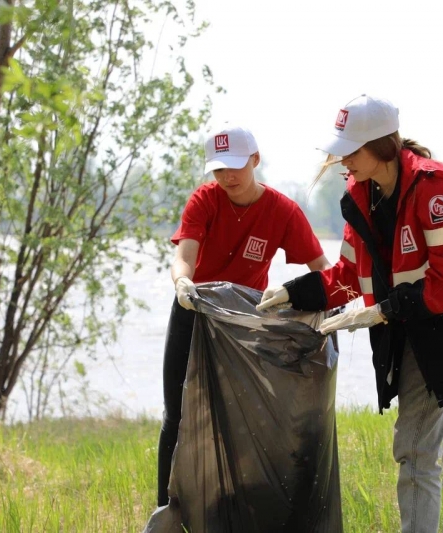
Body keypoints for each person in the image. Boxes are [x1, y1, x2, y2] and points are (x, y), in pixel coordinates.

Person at [257, 95, 443, 532]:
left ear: (382, 145)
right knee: (412, 452)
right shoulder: (361, 198)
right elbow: (349, 275)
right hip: (415, 336)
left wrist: (385, 311)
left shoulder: (433, 189)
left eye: (350, 150)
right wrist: (293, 292)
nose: (342, 160)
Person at [158, 123, 330, 507]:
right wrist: (182, 284)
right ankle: (166, 509)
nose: (227, 177)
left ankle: (235, 506)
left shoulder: (283, 211)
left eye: (235, 166)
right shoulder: (204, 200)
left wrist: (327, 302)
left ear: (256, 160)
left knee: (242, 418)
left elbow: (322, 267)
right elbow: (184, 255)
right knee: (178, 413)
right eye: (218, 169)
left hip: (243, 323)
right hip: (194, 310)